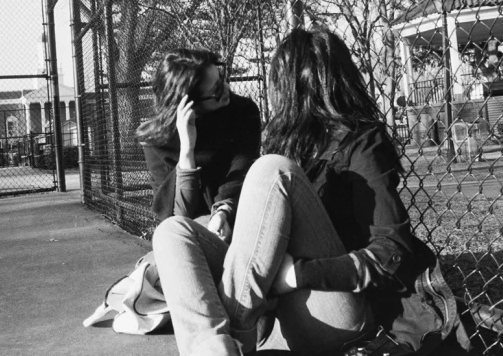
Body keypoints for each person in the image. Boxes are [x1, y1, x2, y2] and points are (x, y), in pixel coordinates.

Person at [152, 27, 469, 355]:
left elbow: (391, 252)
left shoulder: (362, 144)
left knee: (270, 170)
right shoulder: (287, 142)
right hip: (278, 313)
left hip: (333, 309)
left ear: (294, 87)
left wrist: (298, 275)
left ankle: (238, 330)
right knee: (171, 233)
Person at [136, 48, 261, 241]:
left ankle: (146, 269)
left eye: (222, 79)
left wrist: (223, 213)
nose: (227, 88)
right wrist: (187, 149)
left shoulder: (242, 112)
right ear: (188, 104)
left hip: (237, 214)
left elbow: (240, 173)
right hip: (186, 231)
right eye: (217, 90)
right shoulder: (157, 140)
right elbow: (177, 215)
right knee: (172, 235)